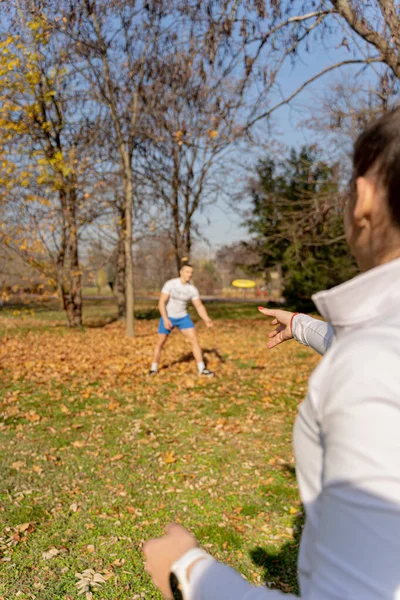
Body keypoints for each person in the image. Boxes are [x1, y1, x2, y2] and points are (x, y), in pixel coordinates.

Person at [143, 108, 400, 599]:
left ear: (364, 196)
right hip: (169, 317)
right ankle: (156, 361)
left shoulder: (369, 367)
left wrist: (188, 571)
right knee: (163, 340)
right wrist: (304, 326)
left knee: (190, 339)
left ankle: (191, 364)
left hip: (184, 319)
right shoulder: (376, 351)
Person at [149, 261, 215, 377]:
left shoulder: (192, 290)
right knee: (160, 343)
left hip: (183, 317)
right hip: (168, 316)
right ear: (181, 272)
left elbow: (199, 306)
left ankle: (202, 369)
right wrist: (165, 319)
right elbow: (161, 302)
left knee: (194, 340)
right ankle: (153, 368)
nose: (189, 274)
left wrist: (206, 319)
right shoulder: (171, 284)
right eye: (187, 272)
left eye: (191, 273)